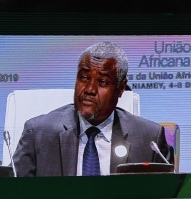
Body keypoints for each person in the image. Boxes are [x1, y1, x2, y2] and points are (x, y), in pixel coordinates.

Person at [12, 41, 171, 177]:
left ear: (121, 88)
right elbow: (11, 195)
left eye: (102, 82)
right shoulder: (38, 134)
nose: (89, 89)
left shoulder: (150, 139)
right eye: (84, 78)